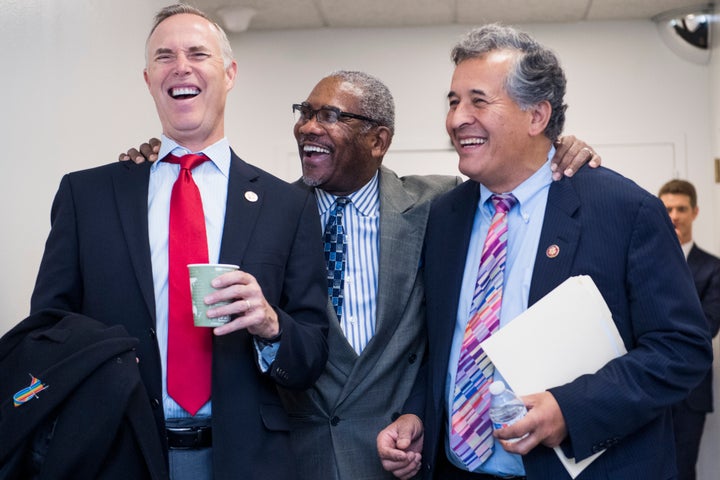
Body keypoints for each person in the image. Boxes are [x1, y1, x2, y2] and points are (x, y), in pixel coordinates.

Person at [122, 68, 600, 478]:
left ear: (379, 140)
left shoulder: (441, 204)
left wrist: (562, 150)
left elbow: (515, 178)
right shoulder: (267, 210)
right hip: (293, 456)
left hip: (398, 453)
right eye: (304, 112)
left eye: (329, 116)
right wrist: (154, 163)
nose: (308, 127)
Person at [377, 24, 712, 480]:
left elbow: (682, 350)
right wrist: (416, 414)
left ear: (537, 116)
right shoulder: (444, 216)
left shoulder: (623, 210)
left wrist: (570, 410)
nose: (456, 119)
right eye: (453, 102)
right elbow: (442, 347)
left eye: (478, 100)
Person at [30, 4, 329, 480]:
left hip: (247, 459)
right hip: (117, 453)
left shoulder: (285, 206)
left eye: (197, 53)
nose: (181, 66)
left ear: (229, 74)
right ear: (148, 79)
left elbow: (311, 353)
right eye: (164, 56)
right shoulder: (87, 196)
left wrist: (271, 325)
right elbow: (48, 332)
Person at [658, 179, 720, 480]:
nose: (674, 216)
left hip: (691, 393)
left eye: (681, 209)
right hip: (648, 386)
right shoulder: (646, 261)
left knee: (683, 471)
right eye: (667, 208)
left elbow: (708, 326)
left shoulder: (713, 268)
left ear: (694, 212)